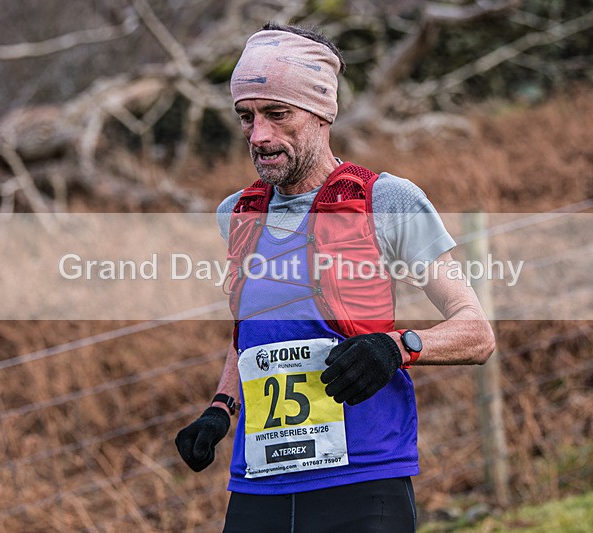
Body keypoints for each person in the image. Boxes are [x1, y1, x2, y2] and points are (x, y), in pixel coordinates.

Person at [175, 22, 495, 532]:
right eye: (246, 116)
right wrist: (220, 408)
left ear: (322, 113)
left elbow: (476, 332)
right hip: (260, 482)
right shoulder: (236, 214)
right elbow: (255, 333)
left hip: (362, 481)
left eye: (277, 114)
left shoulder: (388, 201)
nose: (259, 136)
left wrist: (396, 347)